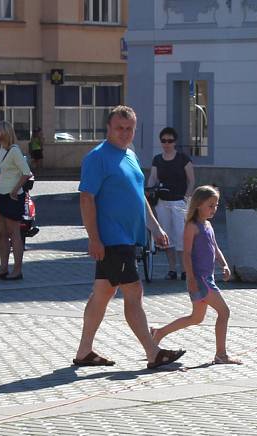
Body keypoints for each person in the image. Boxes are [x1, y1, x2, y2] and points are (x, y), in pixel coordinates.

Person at [73, 105, 186, 370]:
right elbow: (86, 198)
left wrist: (155, 228)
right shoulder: (97, 157)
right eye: (119, 128)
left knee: (102, 293)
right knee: (133, 291)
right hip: (113, 238)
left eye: (129, 128)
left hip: (128, 237)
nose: (125, 133)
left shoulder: (131, 156)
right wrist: (94, 238)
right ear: (108, 128)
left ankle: (84, 351)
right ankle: (152, 352)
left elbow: (139, 197)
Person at [151, 186, 241, 365]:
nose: (214, 209)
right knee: (224, 312)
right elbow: (186, 254)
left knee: (196, 318)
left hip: (208, 278)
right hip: (200, 280)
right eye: (210, 205)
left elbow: (215, 248)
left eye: (216, 206)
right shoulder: (191, 226)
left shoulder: (208, 225)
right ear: (198, 204)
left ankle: (159, 332)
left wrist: (224, 265)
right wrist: (191, 278)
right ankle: (221, 355)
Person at [148, 126, 195, 280]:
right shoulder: (157, 159)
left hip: (179, 202)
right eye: (164, 141)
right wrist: (149, 190)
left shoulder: (183, 159)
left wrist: (186, 199)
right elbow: (153, 178)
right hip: (162, 202)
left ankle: (185, 270)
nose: (167, 143)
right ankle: (172, 269)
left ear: (175, 142)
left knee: (181, 236)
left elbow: (191, 180)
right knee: (166, 236)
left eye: (170, 140)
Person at [0, 120, 33, 280]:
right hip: (1, 193)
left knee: (14, 232)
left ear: (4, 133)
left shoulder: (14, 150)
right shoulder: (2, 148)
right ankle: (3, 268)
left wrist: (15, 190)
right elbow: (7, 169)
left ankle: (17, 270)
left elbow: (26, 172)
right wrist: (0, 176)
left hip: (12, 196)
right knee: (1, 233)